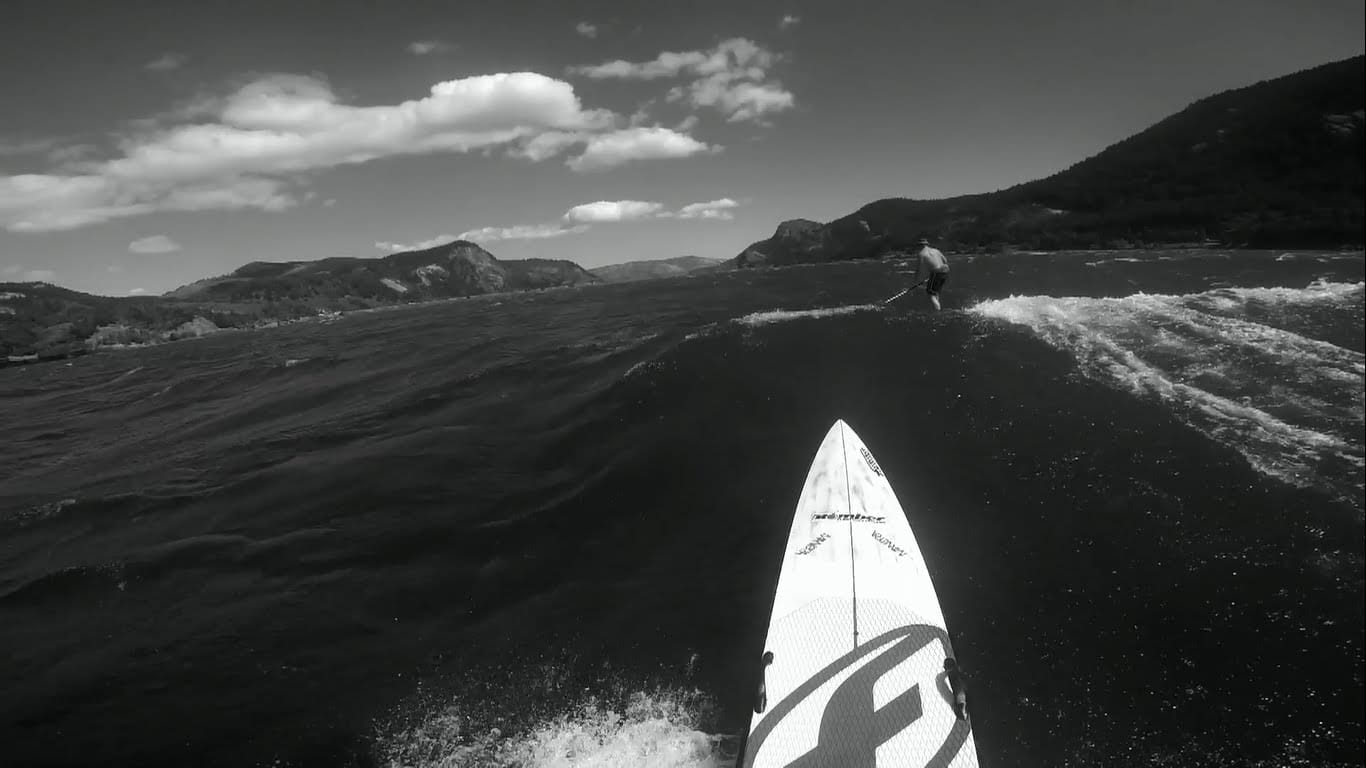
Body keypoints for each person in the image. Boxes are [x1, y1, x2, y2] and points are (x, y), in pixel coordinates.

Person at [910, 236, 950, 310]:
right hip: (945, 271)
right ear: (927, 244)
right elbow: (945, 260)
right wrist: (932, 276)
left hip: (936, 272)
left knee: (930, 294)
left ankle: (938, 311)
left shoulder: (921, 254)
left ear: (919, 245)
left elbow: (919, 270)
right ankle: (938, 307)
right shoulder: (936, 250)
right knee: (935, 292)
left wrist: (915, 282)